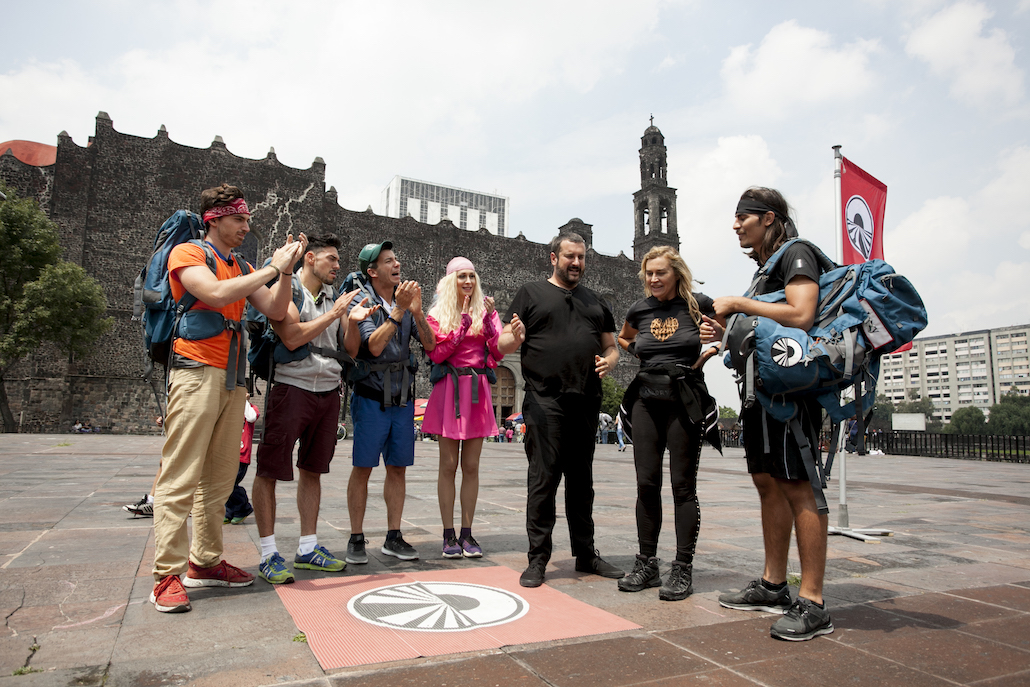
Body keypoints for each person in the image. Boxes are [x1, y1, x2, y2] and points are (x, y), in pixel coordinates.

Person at [150, 183, 304, 614]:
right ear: (214, 219)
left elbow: (275, 311)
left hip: (233, 381)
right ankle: (166, 575)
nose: (245, 227)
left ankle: (205, 561)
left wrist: (285, 270)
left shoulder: (241, 264)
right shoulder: (190, 254)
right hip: (196, 371)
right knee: (180, 476)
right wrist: (270, 269)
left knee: (219, 479)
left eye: (247, 219)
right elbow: (214, 295)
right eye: (239, 219)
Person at [711, 187, 833, 641]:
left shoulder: (795, 254)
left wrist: (739, 304)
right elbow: (763, 323)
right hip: (760, 393)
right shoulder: (764, 271)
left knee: (799, 486)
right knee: (768, 484)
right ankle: (774, 583)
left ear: (768, 218)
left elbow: (801, 314)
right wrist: (724, 331)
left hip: (790, 395)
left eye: (743, 217)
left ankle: (815, 601)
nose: (736, 225)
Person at [499, 232, 623, 588]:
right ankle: (538, 559)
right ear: (553, 258)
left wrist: (611, 362)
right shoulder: (531, 293)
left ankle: (585, 554)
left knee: (582, 482)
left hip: (585, 400)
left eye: (582, 257)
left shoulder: (597, 302)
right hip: (544, 400)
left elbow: (612, 347)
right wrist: (515, 337)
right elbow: (504, 341)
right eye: (570, 256)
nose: (576, 263)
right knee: (543, 479)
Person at [615, 246, 722, 602]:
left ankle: (682, 567)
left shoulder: (698, 304)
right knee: (646, 483)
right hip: (646, 399)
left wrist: (711, 347)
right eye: (648, 274)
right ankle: (647, 564)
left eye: (660, 272)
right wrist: (639, 353)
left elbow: (723, 335)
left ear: (676, 272)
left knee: (682, 486)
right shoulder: (640, 309)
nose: (653, 279)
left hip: (684, 400)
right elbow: (624, 338)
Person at [252, 234, 361, 584]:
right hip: (291, 388)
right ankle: (269, 553)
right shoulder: (290, 290)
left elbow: (352, 351)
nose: (337, 265)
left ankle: (308, 546)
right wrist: (335, 314)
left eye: (338, 259)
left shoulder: (335, 298)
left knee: (313, 470)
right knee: (269, 470)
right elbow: (292, 337)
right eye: (331, 258)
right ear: (310, 258)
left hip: (328, 393)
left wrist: (353, 322)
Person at [344, 241, 435, 564]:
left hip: (402, 400)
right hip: (371, 397)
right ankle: (356, 536)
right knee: (363, 467)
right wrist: (398, 310)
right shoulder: (362, 299)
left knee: (398, 469)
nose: (397, 265)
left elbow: (430, 345)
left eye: (397, 259)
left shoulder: (405, 301)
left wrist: (418, 312)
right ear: (372, 271)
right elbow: (375, 346)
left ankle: (393, 535)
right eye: (388, 261)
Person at [421, 257, 504, 559]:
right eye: (461, 276)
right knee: (448, 465)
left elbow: (496, 352)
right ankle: (448, 534)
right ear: (449, 281)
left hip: (477, 391)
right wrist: (463, 325)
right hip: (449, 389)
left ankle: (467, 533)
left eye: (472, 276)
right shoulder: (436, 315)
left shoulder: (486, 313)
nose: (468, 281)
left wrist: (493, 321)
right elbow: (438, 354)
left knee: (471, 467)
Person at [223, 394, 258, 525]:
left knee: (229, 484)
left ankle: (243, 507)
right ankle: (231, 512)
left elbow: (252, 417)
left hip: (241, 455)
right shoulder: (230, 410)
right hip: (228, 454)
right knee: (223, 484)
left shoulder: (250, 409)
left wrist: (244, 401)